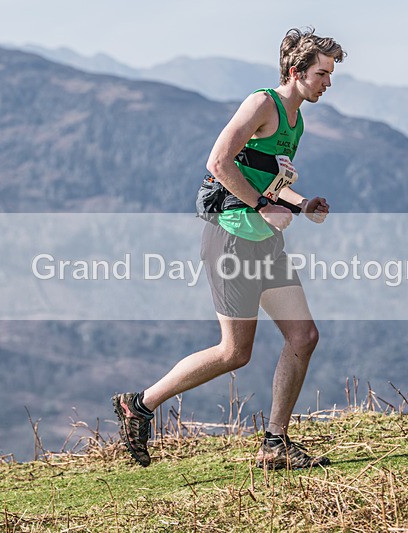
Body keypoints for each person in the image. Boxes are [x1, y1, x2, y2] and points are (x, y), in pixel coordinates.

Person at [113, 27, 345, 469]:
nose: (328, 83)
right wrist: (261, 205)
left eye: (331, 74)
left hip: (265, 240)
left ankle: (274, 445)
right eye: (322, 73)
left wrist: (300, 202)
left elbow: (263, 177)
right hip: (231, 238)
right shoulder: (262, 104)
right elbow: (217, 162)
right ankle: (139, 405)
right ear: (295, 72)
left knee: (304, 336)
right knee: (234, 352)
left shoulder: (297, 121)